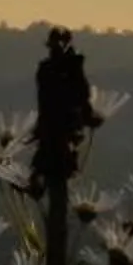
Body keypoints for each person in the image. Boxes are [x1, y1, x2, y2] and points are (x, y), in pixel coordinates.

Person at [30, 26, 99, 195]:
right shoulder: (50, 69)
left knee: (56, 175)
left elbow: (82, 95)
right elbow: (82, 95)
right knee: (54, 175)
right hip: (54, 130)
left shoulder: (70, 68)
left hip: (62, 130)